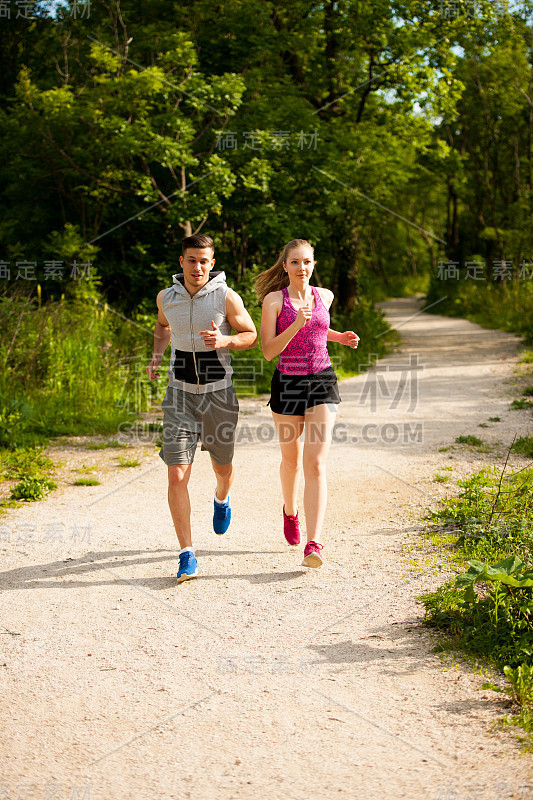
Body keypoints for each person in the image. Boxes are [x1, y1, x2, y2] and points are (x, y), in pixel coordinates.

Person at [147, 234, 258, 583]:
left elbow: (251, 334)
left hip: (218, 396)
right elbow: (163, 327)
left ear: (212, 263)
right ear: (182, 262)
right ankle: (187, 554)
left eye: (204, 261)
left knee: (222, 468)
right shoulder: (167, 298)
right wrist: (155, 355)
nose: (198, 267)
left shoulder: (226, 297)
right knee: (177, 473)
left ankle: (221, 499)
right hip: (179, 395)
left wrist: (225, 340)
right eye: (192, 260)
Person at [256, 238, 359, 568]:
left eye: (308, 262)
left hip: (322, 381)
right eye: (296, 262)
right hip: (286, 383)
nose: (303, 268)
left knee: (316, 464)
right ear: (285, 266)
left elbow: (318, 329)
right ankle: (290, 511)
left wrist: (339, 336)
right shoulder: (274, 301)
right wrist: (296, 323)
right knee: (292, 462)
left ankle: (314, 544)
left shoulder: (324, 296)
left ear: (314, 265)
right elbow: (269, 351)